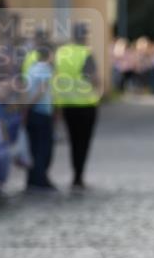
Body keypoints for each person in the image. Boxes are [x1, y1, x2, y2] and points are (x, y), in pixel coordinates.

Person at [54, 22, 101, 191]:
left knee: (73, 142)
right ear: (85, 36)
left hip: (67, 104)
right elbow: (94, 79)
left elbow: (56, 77)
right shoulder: (86, 54)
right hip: (86, 105)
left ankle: (75, 174)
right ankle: (78, 177)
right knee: (83, 142)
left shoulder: (61, 53)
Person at [24, 44, 56, 191]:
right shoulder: (45, 69)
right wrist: (30, 105)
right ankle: (40, 179)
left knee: (33, 146)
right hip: (41, 112)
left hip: (32, 113)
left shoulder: (31, 69)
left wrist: (25, 108)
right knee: (44, 148)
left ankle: (32, 178)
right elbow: (41, 90)